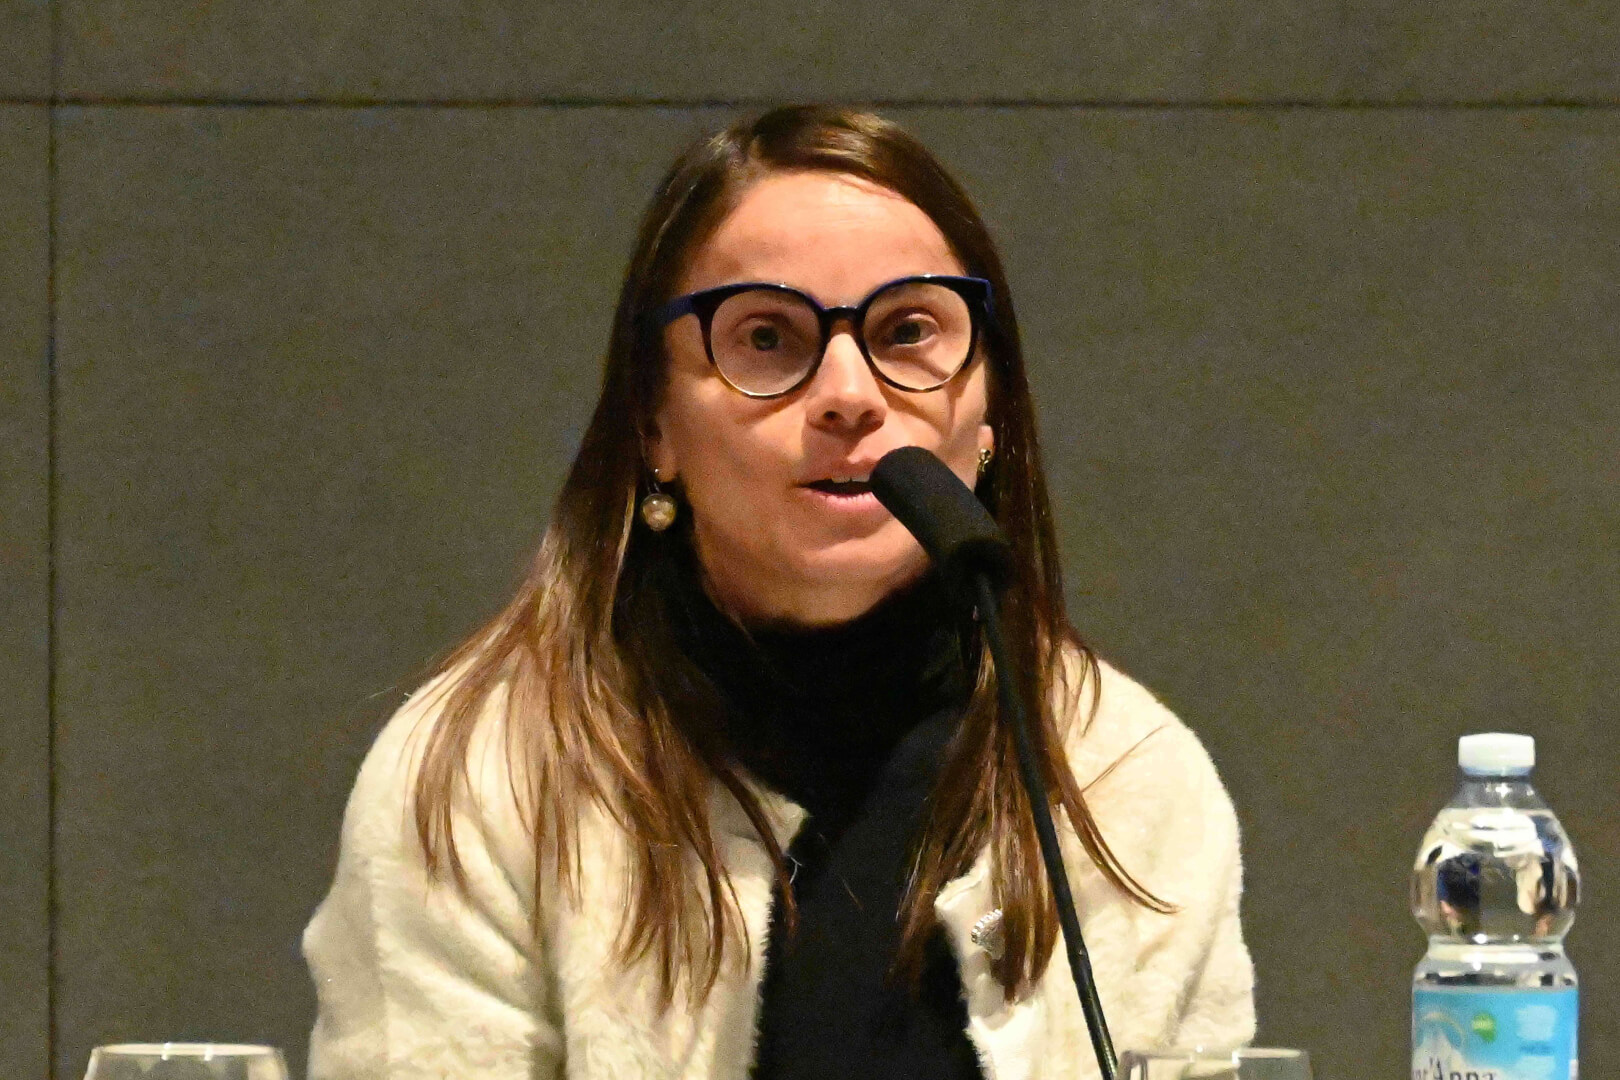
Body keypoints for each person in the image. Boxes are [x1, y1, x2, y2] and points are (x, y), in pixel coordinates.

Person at [302, 104, 1255, 1079]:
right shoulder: (480, 779)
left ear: (988, 416)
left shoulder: (1127, 778)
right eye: (767, 336)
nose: (849, 394)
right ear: (653, 423)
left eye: (908, 330)